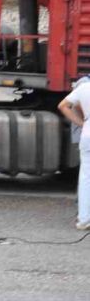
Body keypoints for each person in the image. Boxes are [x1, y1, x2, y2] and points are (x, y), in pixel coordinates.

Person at [58, 76, 90, 231]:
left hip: (87, 135)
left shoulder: (84, 87)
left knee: (85, 178)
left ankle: (84, 219)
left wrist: (82, 124)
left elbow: (63, 106)